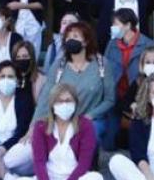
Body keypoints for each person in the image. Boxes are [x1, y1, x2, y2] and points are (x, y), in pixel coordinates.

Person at [6, 84, 104, 180]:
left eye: (68, 100)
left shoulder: (86, 125)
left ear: (75, 103)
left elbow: (84, 164)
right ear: (52, 104)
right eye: (59, 101)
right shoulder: (41, 126)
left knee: (97, 179)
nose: (64, 104)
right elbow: (39, 162)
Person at [40, 22, 115, 152]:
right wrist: (33, 126)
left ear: (85, 41)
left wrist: (90, 115)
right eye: (68, 38)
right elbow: (45, 97)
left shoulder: (102, 64)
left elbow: (110, 99)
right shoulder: (59, 65)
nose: (71, 40)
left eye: (75, 36)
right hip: (62, 118)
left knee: (88, 136)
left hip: (91, 120)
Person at [103, 8, 154, 135]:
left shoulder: (147, 44)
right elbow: (104, 69)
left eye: (116, 24)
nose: (113, 27)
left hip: (137, 97)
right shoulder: (112, 44)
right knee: (109, 144)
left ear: (128, 25)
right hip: (116, 97)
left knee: (136, 137)